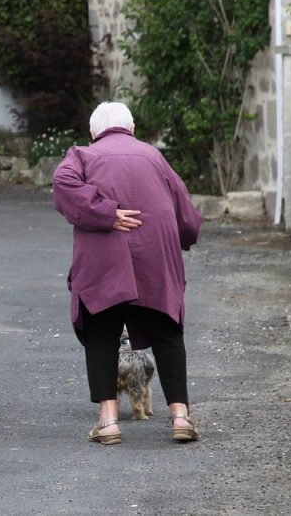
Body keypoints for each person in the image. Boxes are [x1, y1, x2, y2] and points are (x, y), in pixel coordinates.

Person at [52, 102, 202, 444]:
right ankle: (180, 417)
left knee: (102, 332)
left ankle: (108, 422)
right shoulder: (154, 157)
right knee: (167, 332)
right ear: (131, 129)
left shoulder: (82, 155)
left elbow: (62, 183)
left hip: (103, 258)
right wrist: (183, 238)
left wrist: (105, 213)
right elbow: (187, 215)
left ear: (94, 132)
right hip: (155, 256)